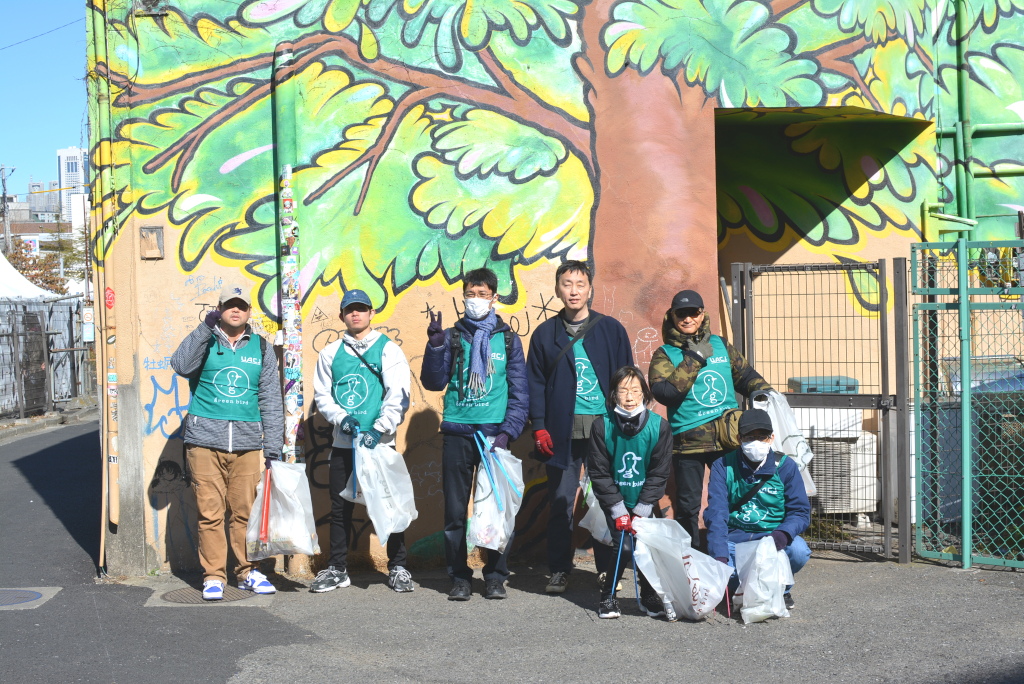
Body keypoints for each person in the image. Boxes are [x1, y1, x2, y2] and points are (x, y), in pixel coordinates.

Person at [420, 268, 529, 601]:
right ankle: (460, 576)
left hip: (494, 438)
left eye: (483, 294)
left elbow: (519, 391)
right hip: (458, 433)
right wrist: (436, 347)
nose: (476, 300)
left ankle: (495, 575)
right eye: (471, 294)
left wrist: (508, 432)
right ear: (463, 296)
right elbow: (434, 382)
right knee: (455, 512)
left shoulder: (508, 339)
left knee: (495, 509)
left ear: (495, 298)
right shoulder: (454, 336)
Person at [170, 283, 284, 600]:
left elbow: (271, 400)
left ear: (249, 311)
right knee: (210, 512)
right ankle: (213, 576)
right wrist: (203, 328)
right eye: (229, 305)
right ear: (220, 309)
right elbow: (180, 365)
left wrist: (273, 447)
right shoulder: (205, 341)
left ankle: (248, 572)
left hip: (247, 445)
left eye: (242, 306)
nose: (236, 310)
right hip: (204, 443)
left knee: (244, 512)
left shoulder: (261, 348)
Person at [526, 260, 633, 594]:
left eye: (580, 284)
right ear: (558, 289)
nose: (573, 290)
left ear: (590, 289)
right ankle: (559, 569)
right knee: (561, 501)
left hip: (605, 429)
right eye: (567, 284)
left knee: (607, 500)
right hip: (562, 431)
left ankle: (608, 568)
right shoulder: (546, 334)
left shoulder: (611, 329)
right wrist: (539, 427)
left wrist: (627, 422)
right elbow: (535, 384)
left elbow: (627, 380)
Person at [647, 289, 772, 549]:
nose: (688, 318)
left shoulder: (720, 345)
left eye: (693, 312)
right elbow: (666, 393)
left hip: (727, 439)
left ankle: (731, 553)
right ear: (672, 315)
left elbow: (746, 376)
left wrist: (765, 394)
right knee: (688, 508)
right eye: (681, 313)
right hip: (687, 443)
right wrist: (693, 358)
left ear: (702, 314)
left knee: (732, 499)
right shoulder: (665, 353)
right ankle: (690, 561)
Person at [310, 289, 412, 594]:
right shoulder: (330, 353)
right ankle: (338, 568)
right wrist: (342, 419)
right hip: (344, 443)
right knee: (340, 507)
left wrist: (378, 429)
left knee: (390, 504)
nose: (355, 314)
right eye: (349, 310)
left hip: (379, 443)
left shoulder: (388, 350)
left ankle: (398, 567)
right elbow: (322, 396)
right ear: (342, 316)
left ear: (371, 313)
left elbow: (399, 395)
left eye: (361, 309)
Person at [586, 366, 673, 619]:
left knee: (645, 546)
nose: (629, 396)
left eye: (635, 390)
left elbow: (659, 472)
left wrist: (644, 507)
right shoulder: (602, 426)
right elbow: (599, 473)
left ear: (644, 394)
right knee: (623, 548)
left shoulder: (660, 427)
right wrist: (618, 509)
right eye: (623, 390)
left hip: (644, 500)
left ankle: (648, 595)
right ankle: (608, 597)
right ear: (613, 395)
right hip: (616, 498)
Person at [705, 409, 811, 609]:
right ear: (739, 439)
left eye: (762, 437)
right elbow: (716, 512)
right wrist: (719, 556)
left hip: (772, 536)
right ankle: (737, 587)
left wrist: (781, 535)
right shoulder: (722, 465)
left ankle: (782, 589)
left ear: (771, 438)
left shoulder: (786, 466)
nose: (756, 442)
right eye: (749, 437)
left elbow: (800, 512)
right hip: (735, 537)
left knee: (798, 551)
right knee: (724, 566)